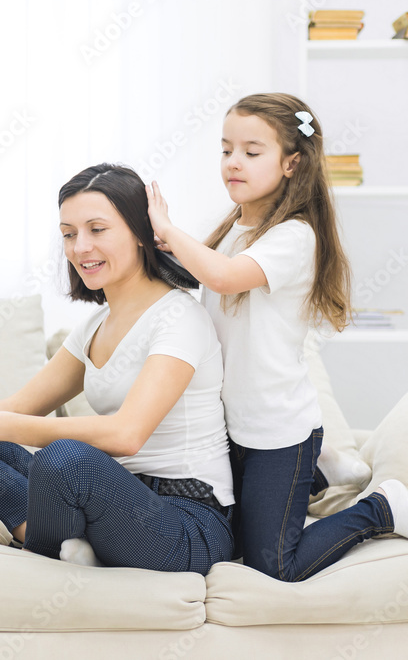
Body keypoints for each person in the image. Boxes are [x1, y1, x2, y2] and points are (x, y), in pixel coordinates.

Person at [0, 163, 235, 575]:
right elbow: (20, 405)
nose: (80, 247)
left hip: (185, 525)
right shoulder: (93, 327)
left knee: (65, 459)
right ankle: (68, 542)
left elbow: (126, 435)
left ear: (140, 233)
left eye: (97, 230)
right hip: (113, 504)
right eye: (69, 234)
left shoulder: (178, 319)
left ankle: (53, 546)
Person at [146, 92, 407, 582]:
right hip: (228, 427)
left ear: (292, 162)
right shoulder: (234, 230)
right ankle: (323, 475)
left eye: (251, 151)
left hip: (276, 432)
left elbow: (224, 277)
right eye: (226, 150)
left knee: (274, 566)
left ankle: (380, 508)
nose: (233, 163)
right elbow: (200, 274)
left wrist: (169, 227)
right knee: (231, 547)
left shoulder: (294, 237)